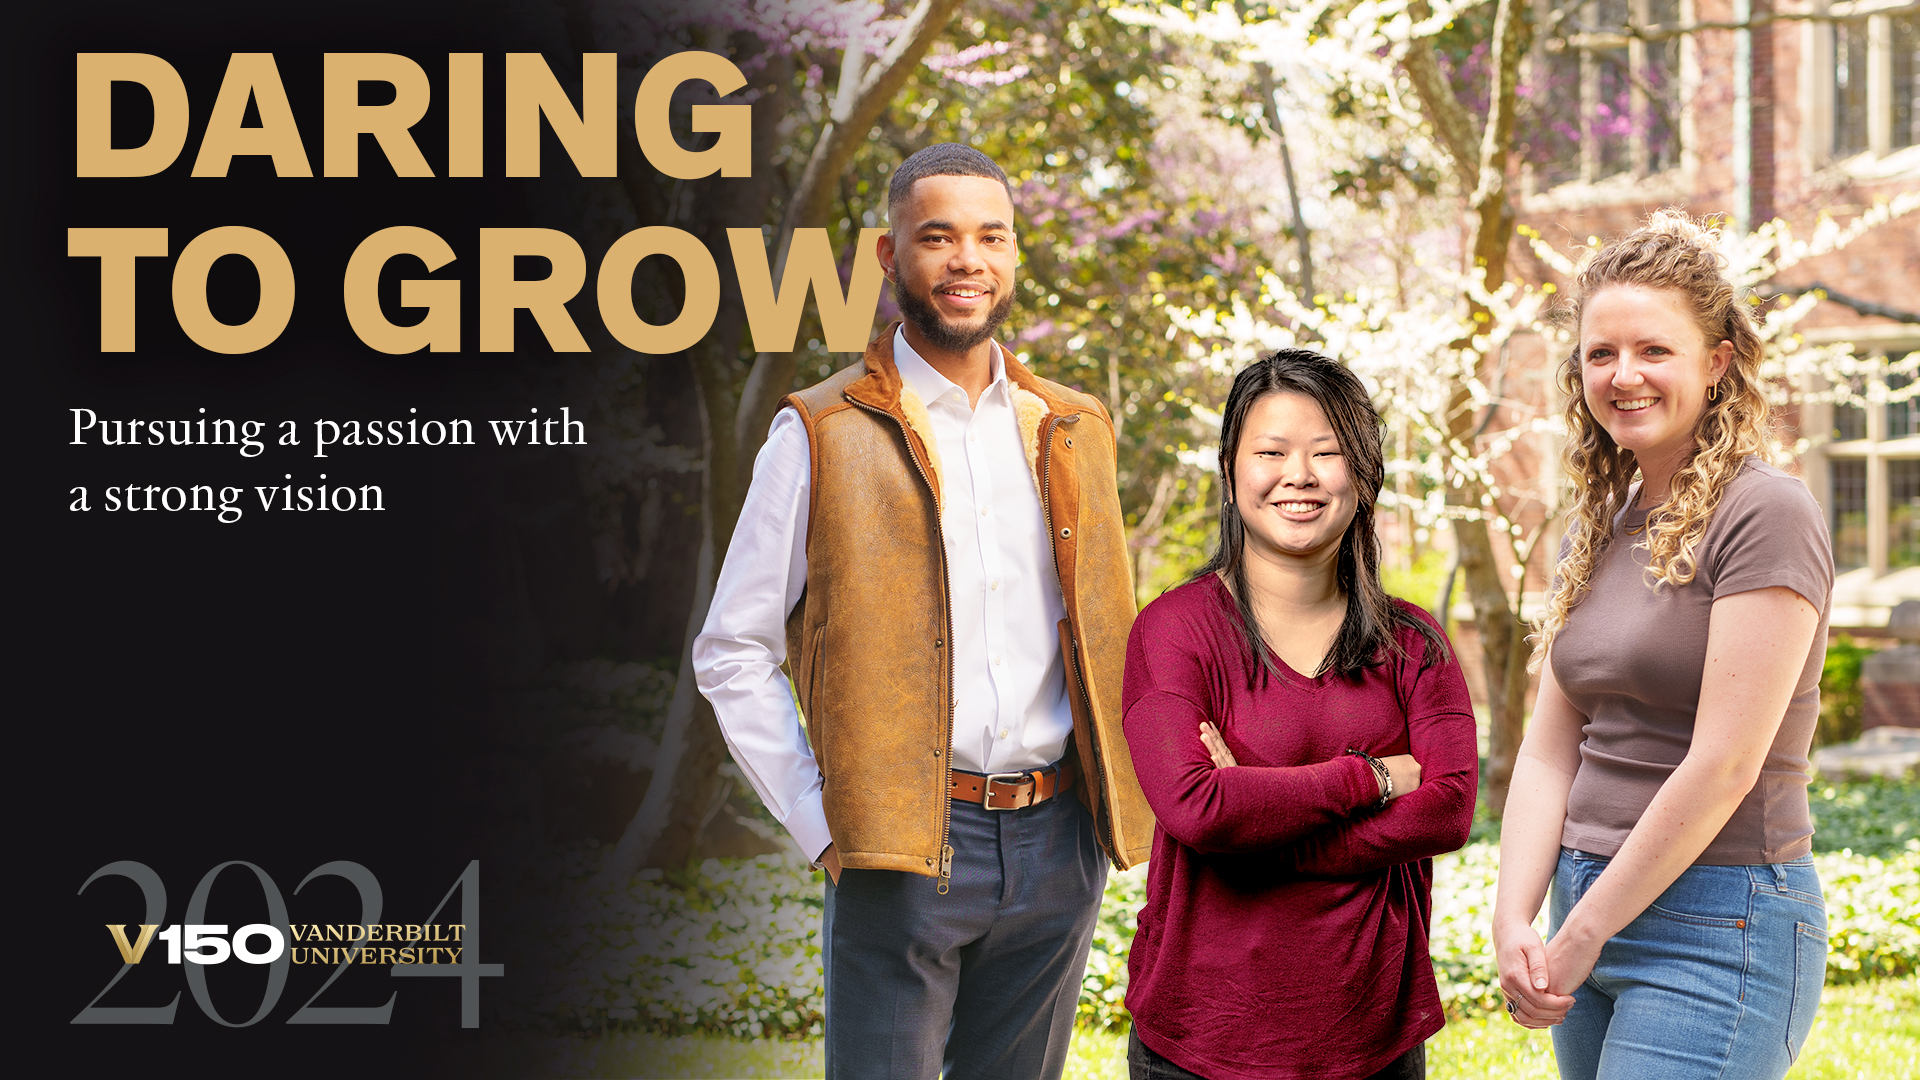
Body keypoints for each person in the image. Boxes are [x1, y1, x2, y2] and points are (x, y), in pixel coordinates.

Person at [692, 143, 1154, 1080]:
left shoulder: (1074, 429)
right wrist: (824, 822)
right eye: (937, 236)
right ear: (888, 256)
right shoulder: (818, 432)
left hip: (1058, 844)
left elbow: (1115, 638)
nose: (967, 261)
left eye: (991, 237)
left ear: (1014, 257)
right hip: (900, 847)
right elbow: (732, 649)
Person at [1493, 211, 1833, 1080]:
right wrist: (1513, 919)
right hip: (1585, 899)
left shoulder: (1767, 513)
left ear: (1717, 363)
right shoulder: (1599, 524)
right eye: (1600, 353)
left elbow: (1725, 764)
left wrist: (1583, 931)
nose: (1623, 374)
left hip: (1720, 919)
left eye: (1654, 350)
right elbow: (1546, 751)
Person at [1121, 349, 1478, 1080]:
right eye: (1272, 451)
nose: (1300, 476)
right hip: (1201, 1044)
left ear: (1364, 473)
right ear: (1230, 470)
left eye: (1327, 452)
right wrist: (1373, 777)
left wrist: (1257, 823)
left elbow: (1447, 809)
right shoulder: (1173, 632)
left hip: (1373, 1041)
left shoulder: (1414, 643)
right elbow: (1198, 809)